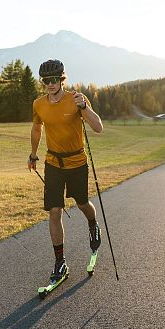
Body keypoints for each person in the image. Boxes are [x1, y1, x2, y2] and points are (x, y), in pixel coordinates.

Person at [28, 58, 104, 285]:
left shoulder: (77, 99)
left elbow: (98, 127)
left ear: (62, 79)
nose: (50, 84)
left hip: (77, 163)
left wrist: (85, 108)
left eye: (54, 80)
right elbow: (36, 127)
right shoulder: (39, 104)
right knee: (54, 210)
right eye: (46, 81)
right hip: (53, 163)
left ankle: (93, 224)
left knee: (82, 204)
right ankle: (60, 262)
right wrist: (33, 155)